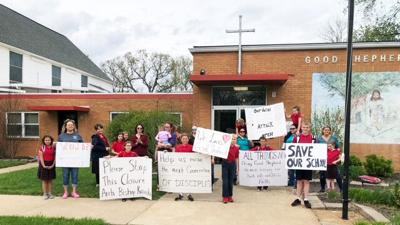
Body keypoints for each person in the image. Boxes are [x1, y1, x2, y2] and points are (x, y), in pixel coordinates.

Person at [291, 121, 315, 209]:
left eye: (307, 127)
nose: (305, 129)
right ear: (301, 128)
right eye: (304, 127)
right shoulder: (296, 138)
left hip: (308, 163)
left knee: (306, 181)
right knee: (299, 181)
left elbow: (318, 150)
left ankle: (306, 199)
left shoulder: (313, 138)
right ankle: (298, 198)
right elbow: (292, 150)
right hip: (299, 163)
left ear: (310, 128)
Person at [58, 119, 83, 199]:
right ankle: (65, 192)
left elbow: (82, 146)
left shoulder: (78, 136)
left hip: (75, 161)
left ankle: (74, 192)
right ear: (65, 126)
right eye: (68, 125)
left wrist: (89, 147)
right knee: (65, 176)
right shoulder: (61, 136)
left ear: (74, 126)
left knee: (75, 175)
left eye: (72, 125)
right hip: (65, 160)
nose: (70, 126)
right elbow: (59, 148)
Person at [317, 126, 341, 192]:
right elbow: (316, 148)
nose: (326, 131)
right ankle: (322, 188)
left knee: (336, 174)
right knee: (322, 174)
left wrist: (337, 156)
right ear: (323, 131)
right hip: (323, 158)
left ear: (330, 131)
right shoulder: (319, 139)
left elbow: (338, 147)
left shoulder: (334, 138)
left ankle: (341, 189)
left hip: (333, 159)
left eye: (328, 130)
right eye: (325, 130)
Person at [174, 134, 194, 201]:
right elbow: (174, 156)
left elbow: (196, 157)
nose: (185, 140)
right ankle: (180, 194)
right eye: (183, 139)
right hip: (180, 167)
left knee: (189, 180)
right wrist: (165, 153)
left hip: (189, 167)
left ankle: (189, 194)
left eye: (186, 138)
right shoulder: (178, 147)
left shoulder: (192, 147)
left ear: (188, 140)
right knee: (180, 179)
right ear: (181, 140)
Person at [37, 135, 56, 200]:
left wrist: (53, 164)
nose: (47, 141)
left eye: (49, 140)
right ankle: (45, 193)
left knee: (50, 180)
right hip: (43, 164)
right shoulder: (42, 147)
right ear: (43, 141)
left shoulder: (53, 147)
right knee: (45, 180)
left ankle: (50, 193)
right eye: (46, 140)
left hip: (51, 163)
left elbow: (55, 157)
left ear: (51, 141)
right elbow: (41, 157)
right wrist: (44, 165)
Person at [222, 134, 239, 204]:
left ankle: (230, 196)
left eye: (235, 139)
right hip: (225, 164)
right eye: (232, 139)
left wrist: (237, 168)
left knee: (230, 181)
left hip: (232, 165)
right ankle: (225, 197)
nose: (233, 140)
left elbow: (236, 158)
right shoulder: (224, 147)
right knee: (225, 181)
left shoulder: (237, 148)